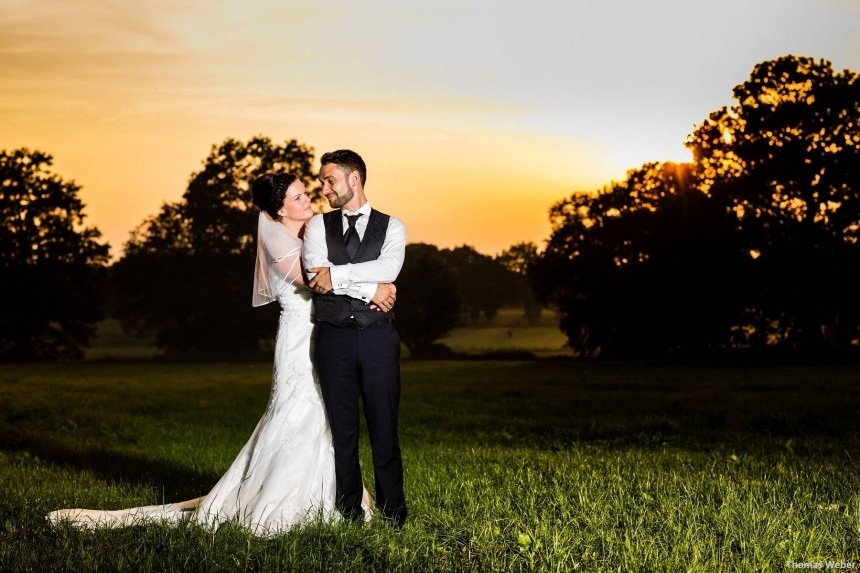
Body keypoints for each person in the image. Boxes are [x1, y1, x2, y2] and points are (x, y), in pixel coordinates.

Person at [47, 172, 372, 535]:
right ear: (280, 210)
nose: (307, 199)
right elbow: (317, 283)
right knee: (297, 414)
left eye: (304, 193)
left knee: (327, 413)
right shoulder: (278, 243)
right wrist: (372, 284)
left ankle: (333, 499)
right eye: (297, 198)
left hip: (323, 336)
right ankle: (278, 505)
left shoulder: (308, 232)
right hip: (298, 341)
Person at [302, 149, 407, 527]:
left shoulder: (393, 226)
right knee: (342, 430)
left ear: (354, 179)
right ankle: (349, 514)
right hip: (333, 339)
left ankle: (394, 513)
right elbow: (316, 277)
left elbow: (389, 267)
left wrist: (339, 277)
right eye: (322, 182)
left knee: (384, 425)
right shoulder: (316, 226)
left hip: (378, 337)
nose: (324, 188)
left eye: (330, 180)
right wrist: (371, 290)